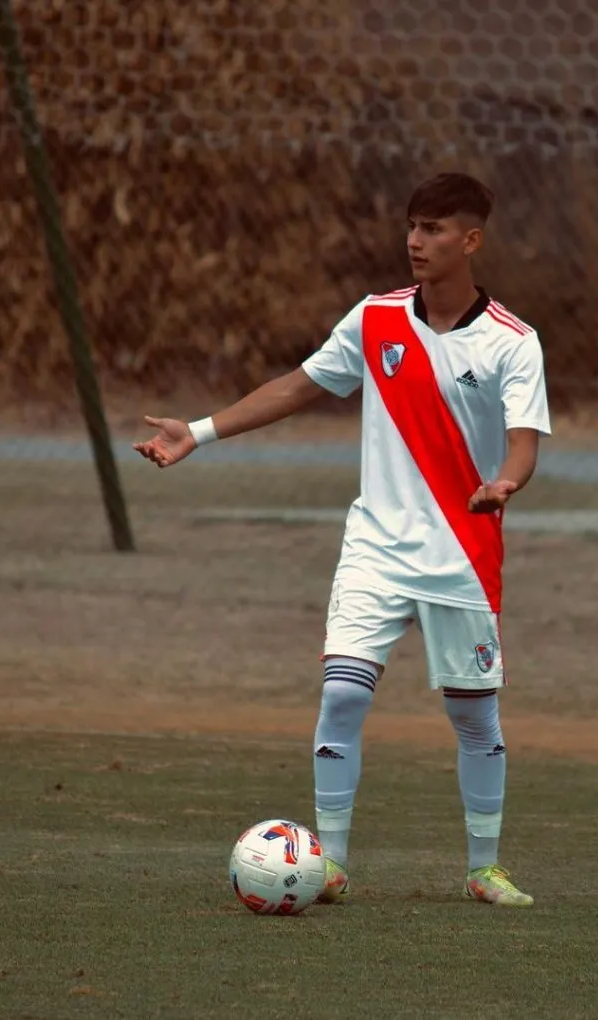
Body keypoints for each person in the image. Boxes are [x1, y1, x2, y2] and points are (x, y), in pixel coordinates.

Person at [134, 171, 552, 907]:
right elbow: (299, 386)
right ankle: (332, 866)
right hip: (376, 548)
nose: (416, 241)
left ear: (471, 239)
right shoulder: (375, 319)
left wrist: (507, 483)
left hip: (463, 552)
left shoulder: (513, 343)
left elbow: (524, 442)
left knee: (472, 715)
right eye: (412, 227)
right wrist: (198, 432)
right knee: (341, 696)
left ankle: (483, 868)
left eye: (433, 229)